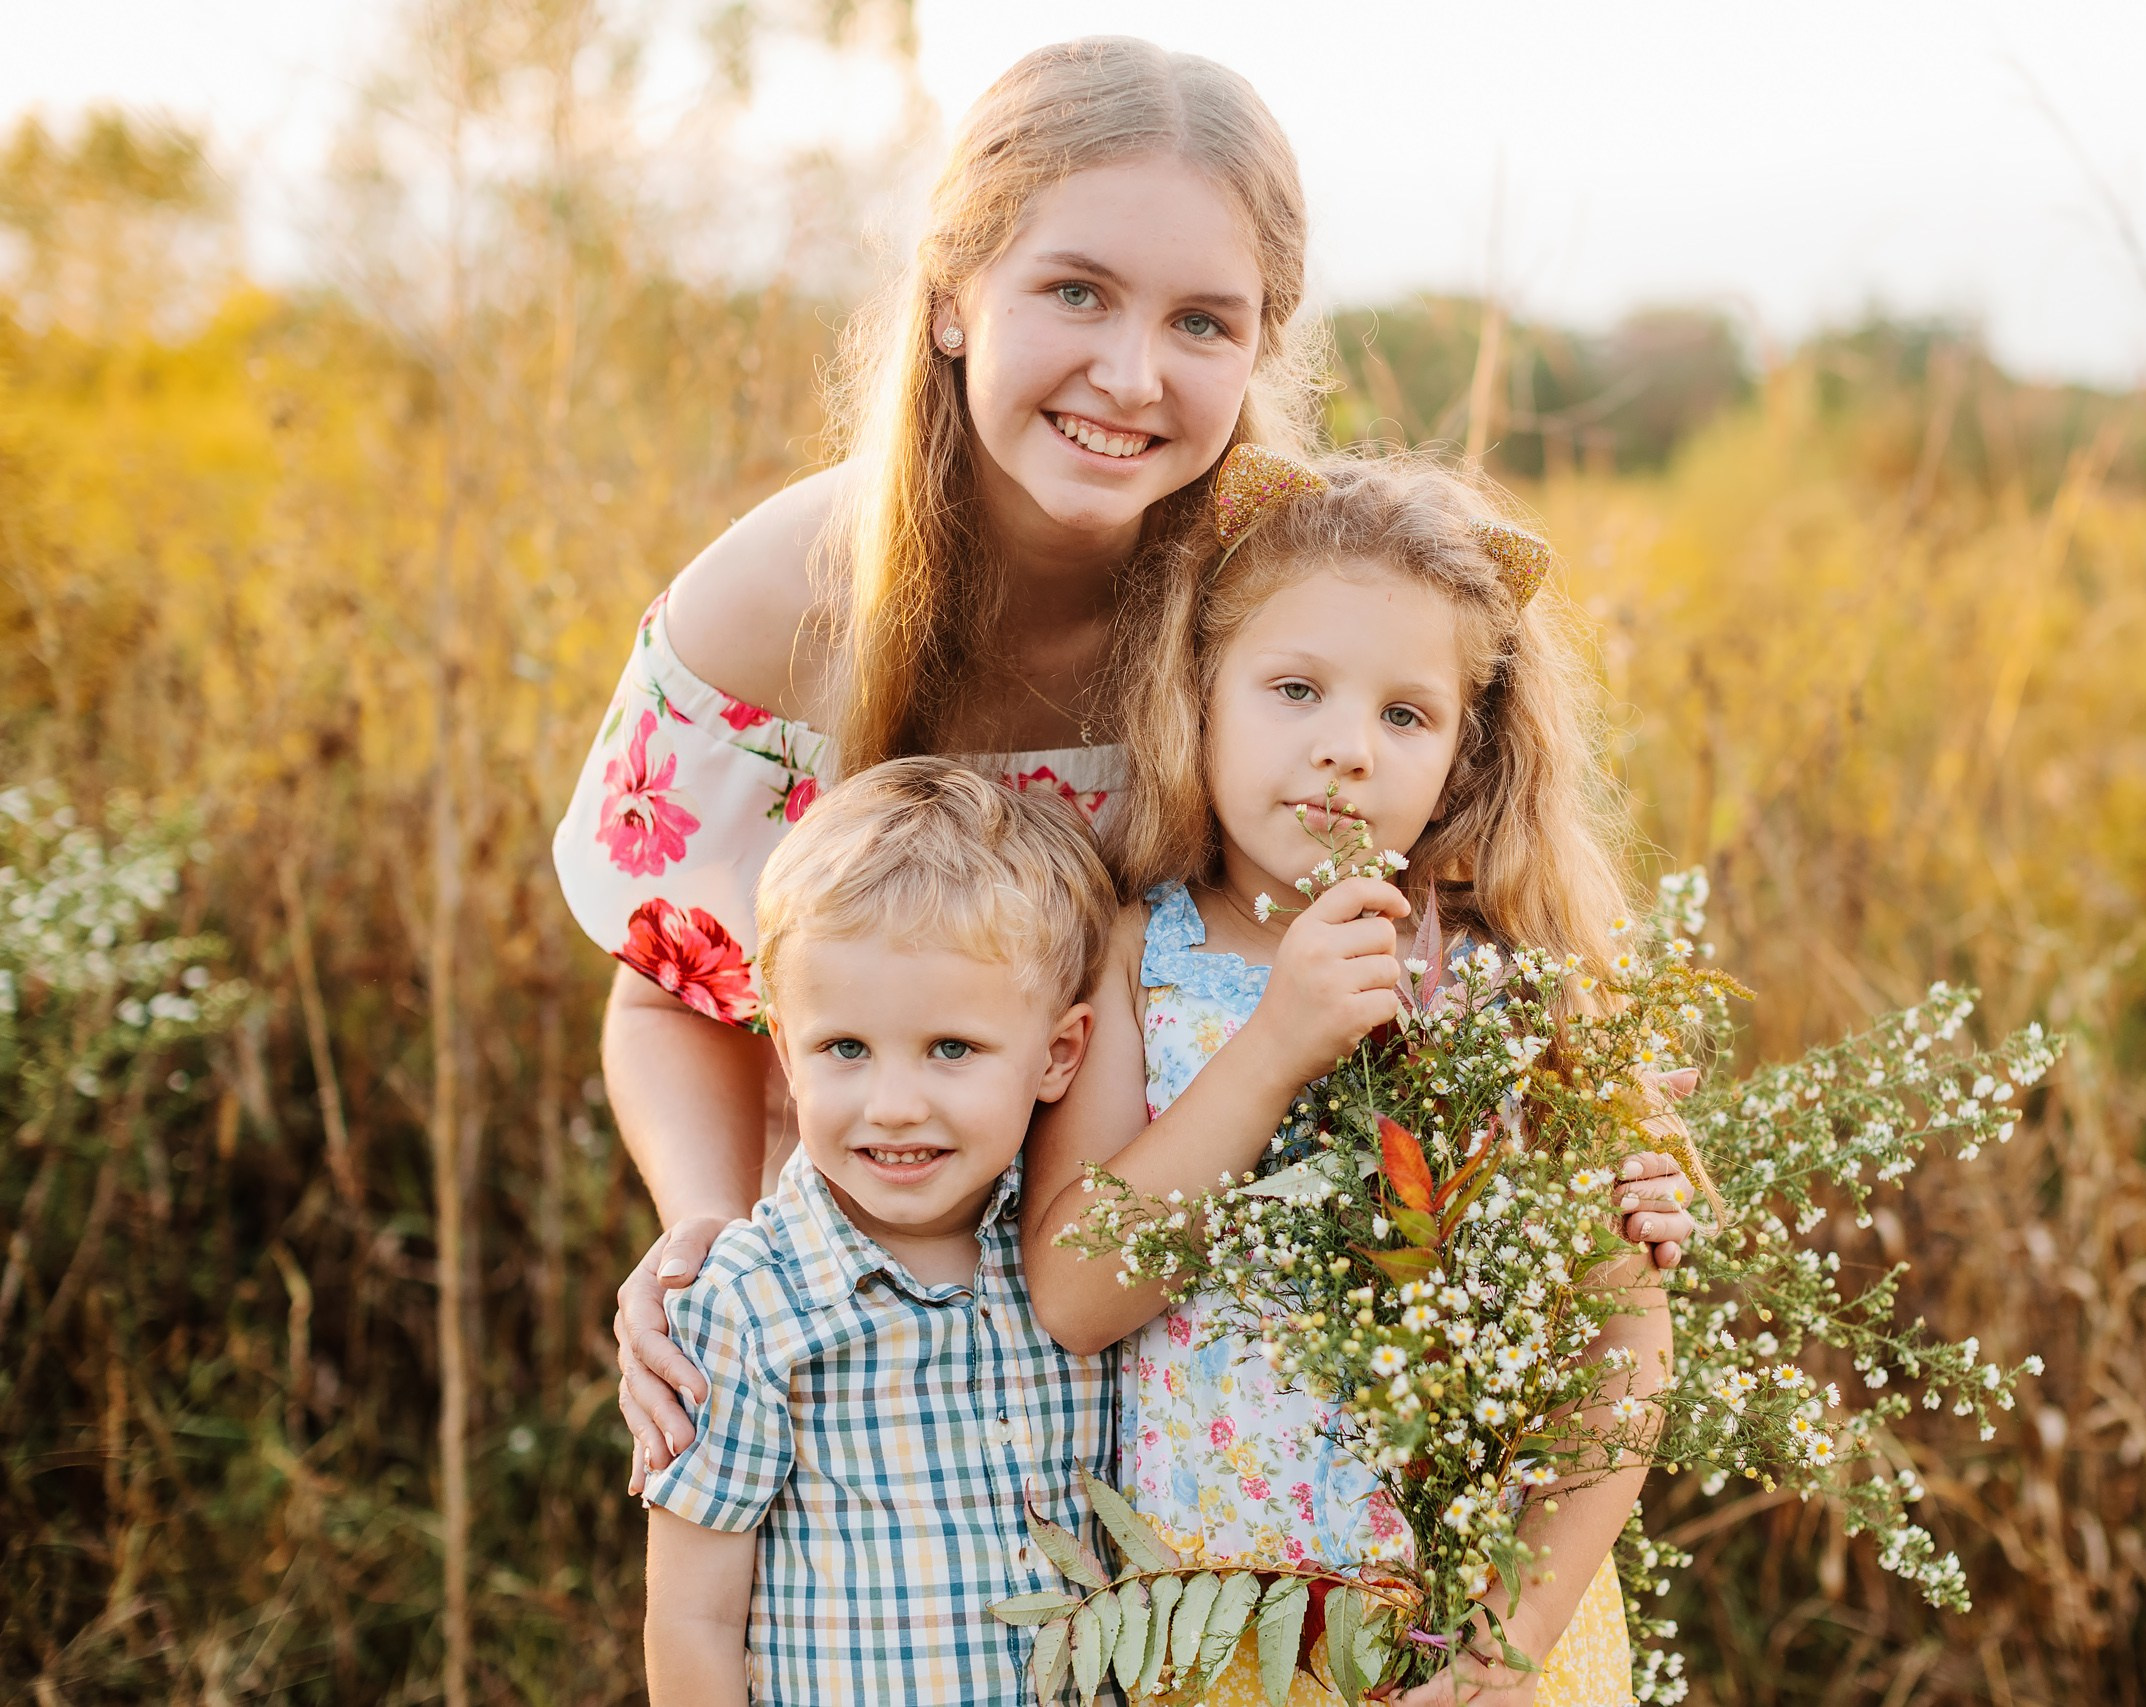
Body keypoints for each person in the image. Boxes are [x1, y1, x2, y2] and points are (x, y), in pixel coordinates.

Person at [549, 35, 1701, 1489]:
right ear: (957, 294)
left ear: (1264, 343)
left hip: (1212, 1376)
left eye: (1204, 322)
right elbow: (671, 983)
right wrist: (704, 1221)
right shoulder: (784, 598)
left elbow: (1461, 897)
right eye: (1076, 290)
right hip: (885, 1318)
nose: (1132, 373)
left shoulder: (1272, 609)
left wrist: (1599, 1153)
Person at [1024, 448, 1675, 1706]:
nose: (1344, 752)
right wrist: (1273, 1047)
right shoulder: (1132, 955)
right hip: (1228, 1639)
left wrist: (1505, 1644)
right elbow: (1075, 1294)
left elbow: (1622, 1343)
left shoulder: (1505, 987)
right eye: (1294, 689)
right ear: (1197, 695)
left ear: (1462, 758)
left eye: (1403, 714)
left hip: (1483, 1635)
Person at [641, 758, 1118, 1706]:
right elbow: (691, 1615)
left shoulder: (1083, 1259)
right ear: (785, 1049)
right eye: (845, 1049)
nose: (894, 1106)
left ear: (1058, 1054)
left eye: (953, 1049)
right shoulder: (747, 1301)